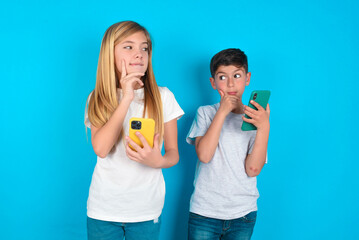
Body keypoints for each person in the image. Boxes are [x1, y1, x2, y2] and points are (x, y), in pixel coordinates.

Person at [84, 21, 184, 240]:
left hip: (146, 209)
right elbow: (101, 149)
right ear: (110, 54)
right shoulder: (97, 98)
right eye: (128, 47)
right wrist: (127, 98)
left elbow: (173, 153)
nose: (139, 54)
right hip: (103, 208)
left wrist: (158, 162)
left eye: (144, 48)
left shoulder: (163, 96)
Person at [186, 48, 270, 240]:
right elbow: (205, 156)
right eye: (222, 77)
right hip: (204, 213)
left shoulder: (256, 120)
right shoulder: (205, 113)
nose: (231, 83)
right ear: (213, 82)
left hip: (243, 214)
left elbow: (253, 169)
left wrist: (264, 127)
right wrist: (222, 112)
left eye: (237, 75)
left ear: (247, 78)